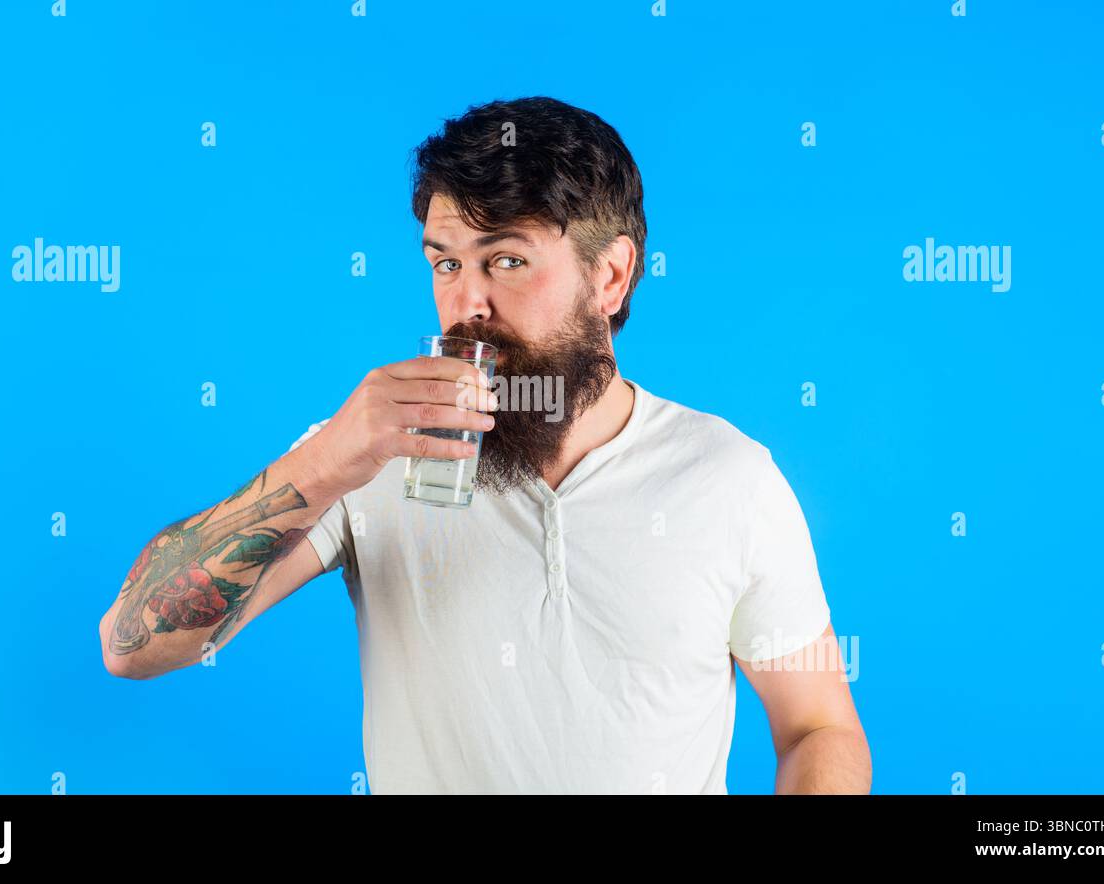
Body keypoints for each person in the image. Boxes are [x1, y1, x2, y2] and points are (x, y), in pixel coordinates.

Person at [99, 96, 871, 795]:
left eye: (506, 260)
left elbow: (818, 727)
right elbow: (133, 643)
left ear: (611, 276)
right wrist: (324, 463)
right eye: (446, 262)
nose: (466, 302)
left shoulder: (728, 477)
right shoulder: (367, 457)